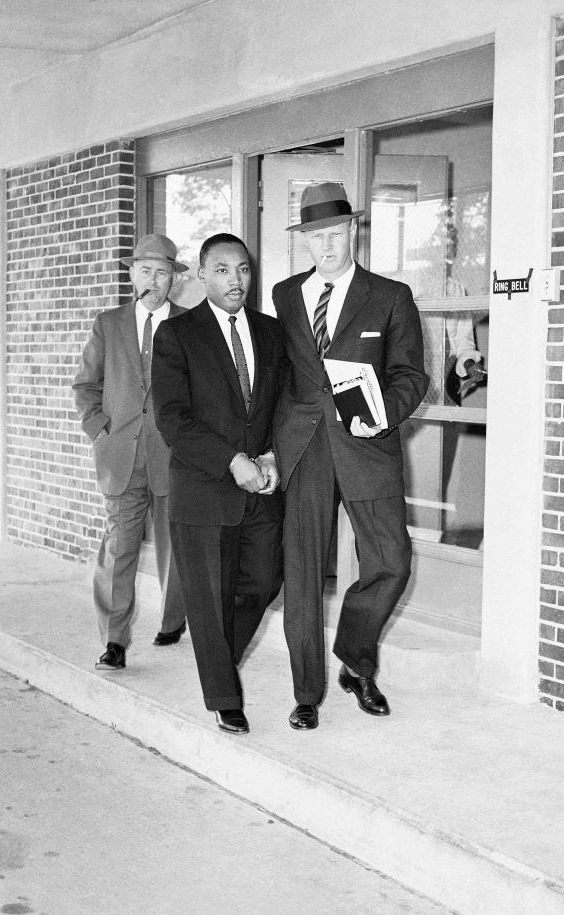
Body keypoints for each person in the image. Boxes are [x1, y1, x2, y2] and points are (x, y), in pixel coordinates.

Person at [271, 182, 428, 731]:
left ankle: (355, 662)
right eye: (316, 236)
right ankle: (306, 690)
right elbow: (283, 377)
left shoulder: (390, 296)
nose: (327, 244)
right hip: (304, 449)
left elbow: (412, 376)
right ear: (305, 242)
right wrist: (270, 450)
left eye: (335, 232)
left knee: (391, 561)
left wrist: (383, 412)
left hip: (368, 445)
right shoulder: (285, 296)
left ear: (353, 231)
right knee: (304, 573)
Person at [152, 233, 285, 735]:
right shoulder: (177, 335)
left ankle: (217, 659)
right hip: (204, 489)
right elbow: (173, 418)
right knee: (208, 598)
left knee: (264, 581)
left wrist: (271, 454)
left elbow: (283, 405)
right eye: (224, 270)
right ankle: (224, 695)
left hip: (261, 488)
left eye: (244, 270)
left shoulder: (272, 333)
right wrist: (232, 461)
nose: (236, 280)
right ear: (203, 275)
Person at [73, 234, 188, 670]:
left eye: (162, 273)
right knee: (119, 547)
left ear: (173, 280)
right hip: (120, 455)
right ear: (131, 273)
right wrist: (100, 431)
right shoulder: (109, 324)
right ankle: (114, 640)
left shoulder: (190, 325)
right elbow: (86, 386)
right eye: (145, 271)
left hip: (174, 458)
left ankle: (171, 621)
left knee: (177, 545)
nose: (153, 280)